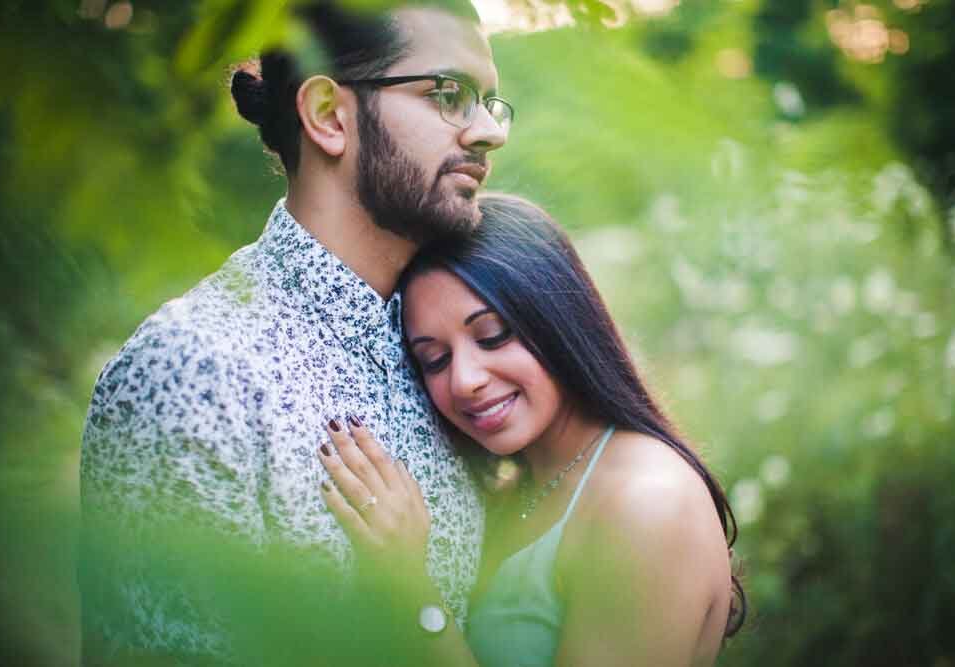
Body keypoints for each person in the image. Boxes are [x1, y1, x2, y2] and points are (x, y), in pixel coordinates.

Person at [79, 1, 510, 663]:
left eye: (489, 102)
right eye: (449, 94)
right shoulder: (192, 370)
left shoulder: (453, 363)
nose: (489, 133)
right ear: (330, 116)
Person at [317, 194, 746, 666]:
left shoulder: (646, 502)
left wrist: (409, 589)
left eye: (492, 336)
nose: (465, 380)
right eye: (434, 359)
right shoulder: (517, 488)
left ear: (559, 320)